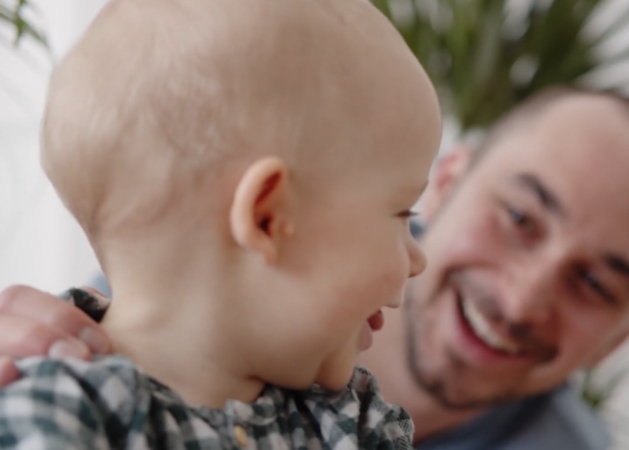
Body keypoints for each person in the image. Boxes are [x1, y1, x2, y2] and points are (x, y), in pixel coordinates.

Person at [0, 85, 629, 450]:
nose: (520, 299)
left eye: (596, 285)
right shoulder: (183, 295)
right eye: (518, 218)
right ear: (446, 180)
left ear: (621, 338)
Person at [0, 0, 442, 448]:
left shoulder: (356, 421)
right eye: (403, 213)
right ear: (268, 218)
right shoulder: (54, 413)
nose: (417, 259)